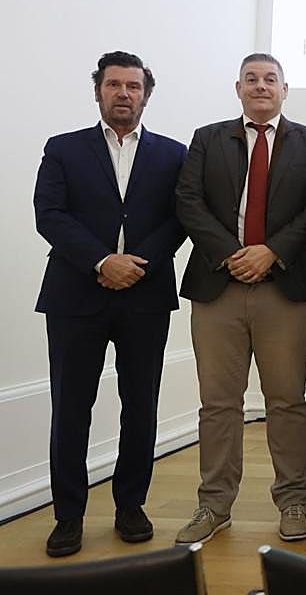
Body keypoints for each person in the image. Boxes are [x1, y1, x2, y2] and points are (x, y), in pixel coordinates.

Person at [34, 51, 187, 557]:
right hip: (76, 295)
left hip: (145, 294)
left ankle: (130, 506)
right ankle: (68, 516)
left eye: (134, 86)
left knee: (140, 405)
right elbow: (50, 215)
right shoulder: (63, 149)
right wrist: (102, 261)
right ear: (98, 90)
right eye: (114, 85)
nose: (124, 93)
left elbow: (181, 218)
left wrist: (136, 262)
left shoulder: (173, 154)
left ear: (147, 93)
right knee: (72, 408)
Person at [173, 53, 306, 545]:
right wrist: (232, 254)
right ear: (237, 88)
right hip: (218, 286)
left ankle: (293, 500)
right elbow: (188, 201)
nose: (260, 86)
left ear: (286, 89)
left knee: (287, 402)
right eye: (251, 80)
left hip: (284, 288)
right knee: (218, 404)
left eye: (270, 80)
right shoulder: (207, 138)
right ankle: (214, 504)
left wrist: (271, 252)